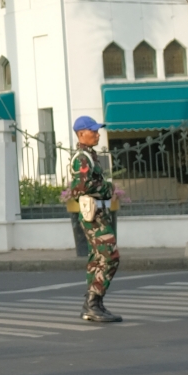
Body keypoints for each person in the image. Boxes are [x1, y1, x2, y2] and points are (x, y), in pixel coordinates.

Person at [68, 116, 121, 324]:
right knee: (110, 256)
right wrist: (108, 188)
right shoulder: (82, 158)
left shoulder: (90, 155)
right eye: (93, 131)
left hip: (99, 212)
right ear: (81, 134)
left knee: (97, 259)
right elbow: (80, 188)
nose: (97, 134)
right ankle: (92, 303)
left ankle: (94, 305)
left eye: (97, 131)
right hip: (93, 215)